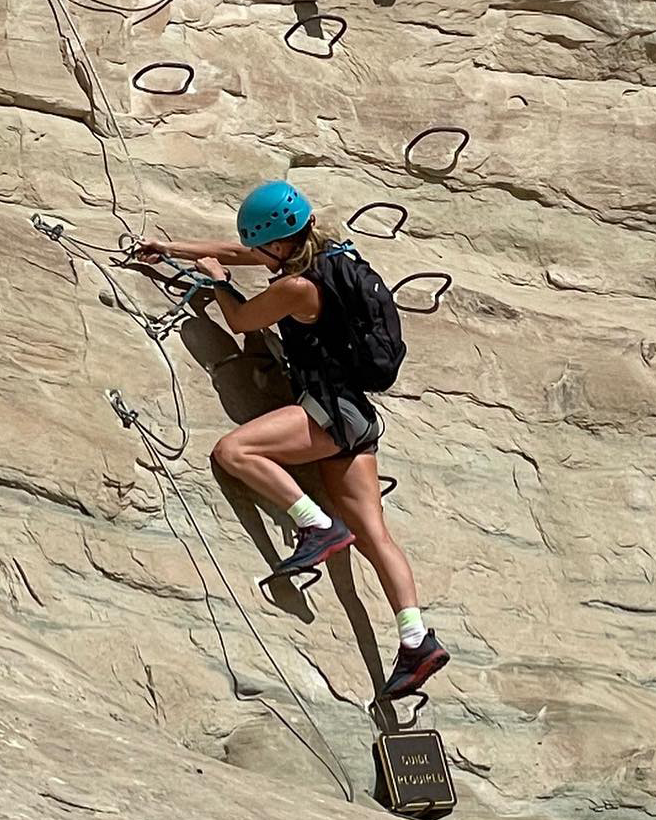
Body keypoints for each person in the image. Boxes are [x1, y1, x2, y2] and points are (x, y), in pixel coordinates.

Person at [141, 180, 450, 701]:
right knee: (375, 535)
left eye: (265, 249)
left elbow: (240, 316)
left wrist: (217, 281)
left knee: (234, 451)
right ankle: (416, 639)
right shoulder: (331, 251)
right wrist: (171, 249)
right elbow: (242, 251)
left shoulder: (297, 287)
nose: (258, 256)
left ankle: (316, 526)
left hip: (326, 415)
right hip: (357, 418)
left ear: (281, 244)